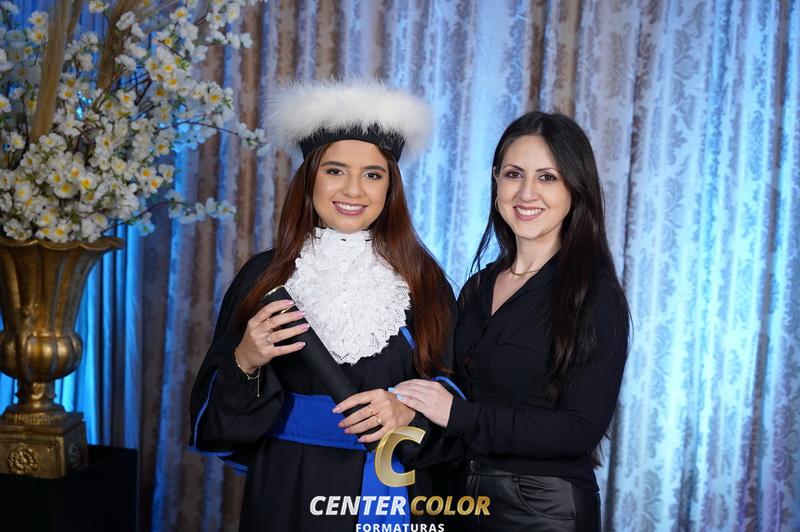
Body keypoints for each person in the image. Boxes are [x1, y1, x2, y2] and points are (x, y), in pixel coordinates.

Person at [189, 80, 458, 532]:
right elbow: (214, 417)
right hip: (284, 483)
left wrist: (406, 411)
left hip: (385, 479)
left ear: (390, 187)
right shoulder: (263, 276)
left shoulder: (424, 281)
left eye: (372, 174)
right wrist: (246, 360)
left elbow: (456, 390)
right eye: (335, 170)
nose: (354, 190)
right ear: (309, 177)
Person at [392, 111, 631, 531]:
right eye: (514, 174)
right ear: (496, 181)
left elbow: (579, 430)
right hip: (459, 500)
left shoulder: (593, 295)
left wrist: (458, 415)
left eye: (547, 177)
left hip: (543, 509)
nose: (526, 193)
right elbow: (448, 387)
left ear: (575, 188)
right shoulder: (478, 287)